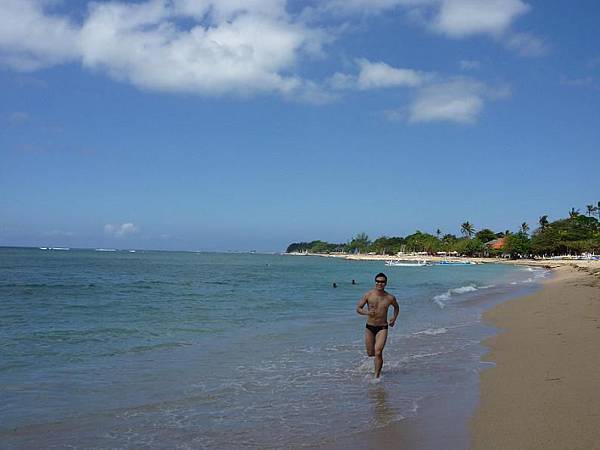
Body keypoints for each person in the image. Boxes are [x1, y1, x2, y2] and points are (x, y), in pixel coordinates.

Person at [356, 272, 399, 378]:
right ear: (375, 282)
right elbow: (358, 308)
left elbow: (396, 308)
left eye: (382, 282)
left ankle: (376, 377)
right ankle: (377, 363)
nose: (380, 283)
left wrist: (394, 318)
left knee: (378, 351)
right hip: (369, 327)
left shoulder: (390, 298)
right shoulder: (368, 295)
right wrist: (367, 312)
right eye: (378, 281)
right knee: (371, 353)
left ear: (386, 283)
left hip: (382, 327)